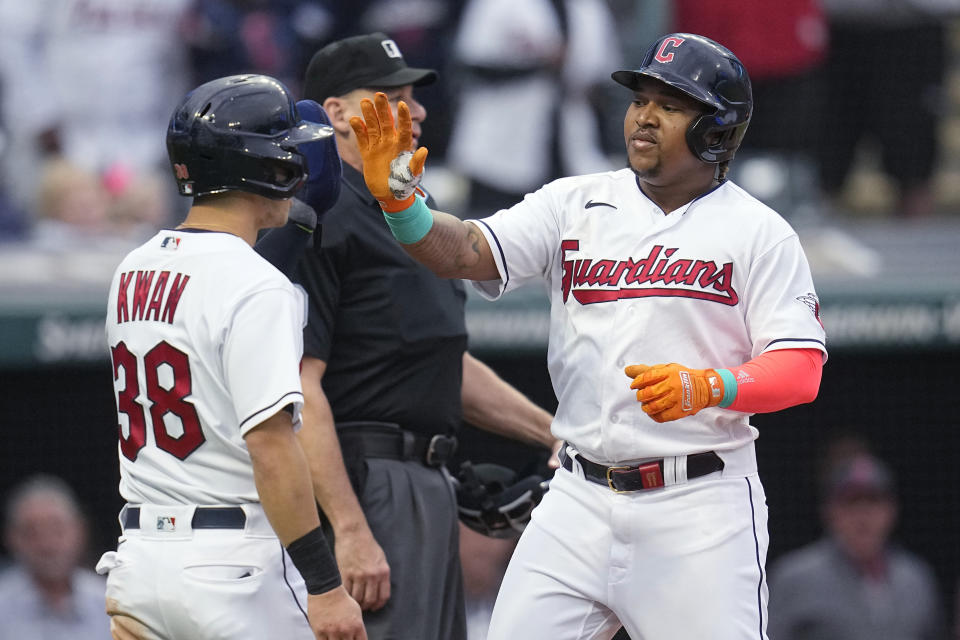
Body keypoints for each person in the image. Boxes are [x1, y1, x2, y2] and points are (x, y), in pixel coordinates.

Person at [350, 32, 828, 639]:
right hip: (577, 496)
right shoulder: (575, 201)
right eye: (640, 100)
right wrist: (403, 206)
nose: (644, 117)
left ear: (716, 129)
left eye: (671, 105)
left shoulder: (760, 233)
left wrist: (712, 386)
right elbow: (467, 252)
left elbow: (799, 370)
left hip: (697, 506)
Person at [293, 32, 557, 640]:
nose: (411, 110)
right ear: (335, 112)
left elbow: (440, 361)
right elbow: (298, 390)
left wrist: (553, 433)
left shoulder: (412, 212)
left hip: (427, 477)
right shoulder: (316, 213)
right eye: (388, 95)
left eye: (412, 95)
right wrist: (351, 529)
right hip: (367, 476)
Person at [96, 73, 365, 640]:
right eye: (287, 152)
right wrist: (325, 586)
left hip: (139, 556)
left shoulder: (132, 266)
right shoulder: (256, 285)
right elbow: (271, 446)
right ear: (263, 166)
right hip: (235, 569)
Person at [768, 450, 947, 639]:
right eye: (851, 501)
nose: (863, 515)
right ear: (829, 511)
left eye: (874, 501)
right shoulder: (795, 578)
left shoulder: (916, 579)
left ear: (891, 510)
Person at [0, 474, 110, 639]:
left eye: (57, 530)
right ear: (11, 538)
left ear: (80, 530)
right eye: (32, 532)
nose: (47, 544)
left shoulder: (111, 602)